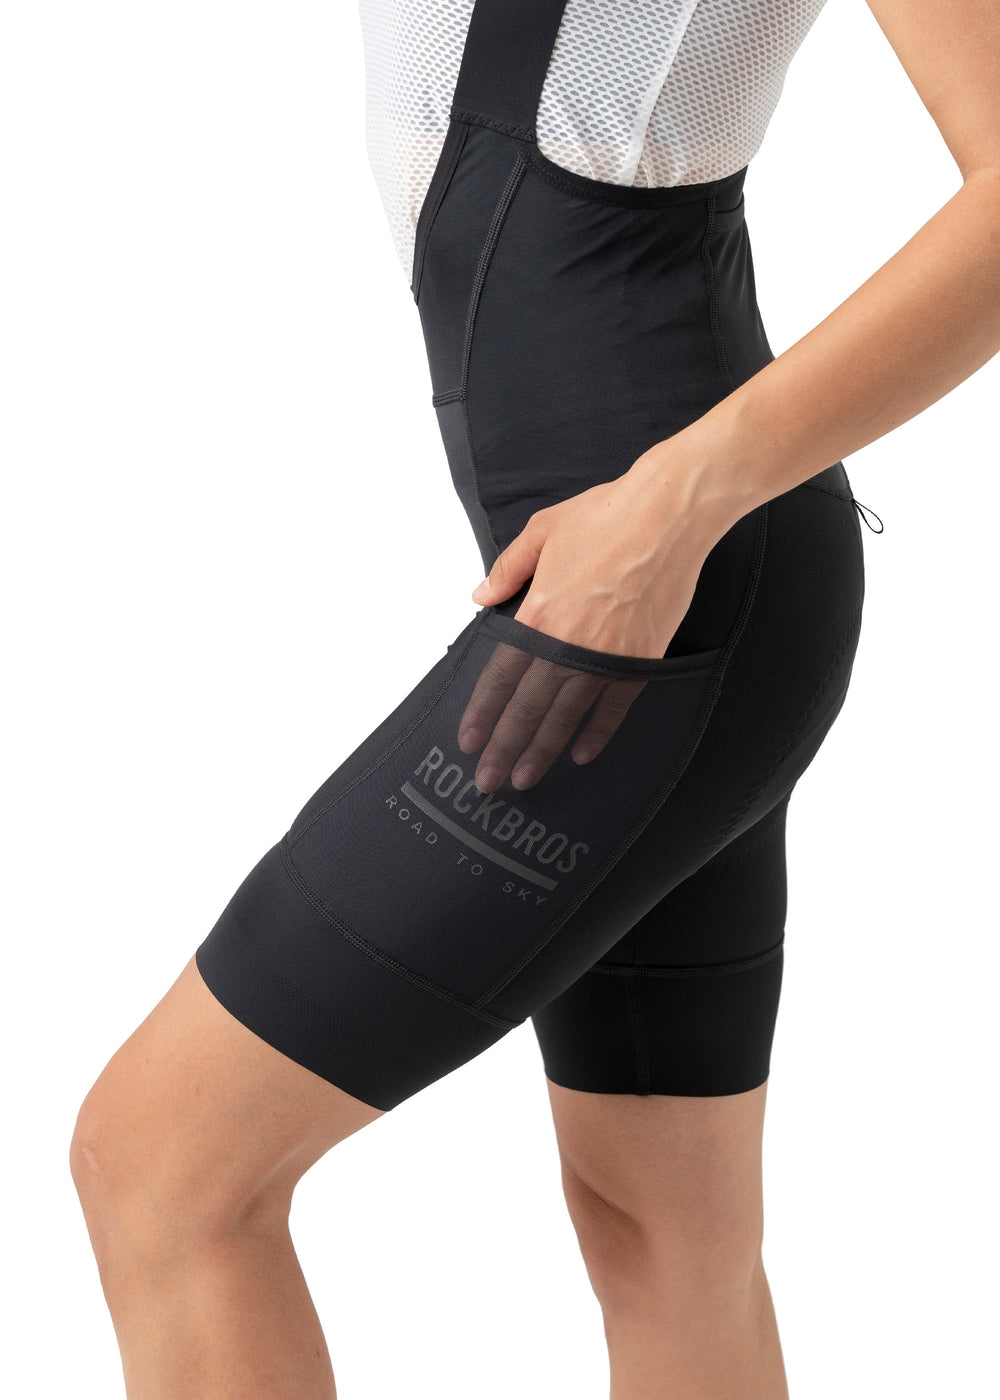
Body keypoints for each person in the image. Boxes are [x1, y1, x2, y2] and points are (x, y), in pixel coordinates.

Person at [68, 2, 1000, 1397]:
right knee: (661, 1227)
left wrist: (667, 511)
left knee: (162, 1167)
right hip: (644, 601)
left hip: (654, 602)